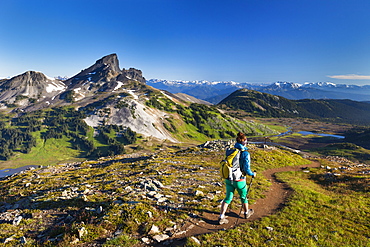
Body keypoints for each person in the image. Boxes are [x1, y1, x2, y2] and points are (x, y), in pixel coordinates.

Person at [218, 132, 256, 225]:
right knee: (243, 197)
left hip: (229, 178)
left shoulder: (230, 151)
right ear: (244, 142)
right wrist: (252, 174)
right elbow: (246, 169)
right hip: (240, 179)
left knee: (227, 198)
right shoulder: (245, 153)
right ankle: (246, 213)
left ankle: (221, 217)